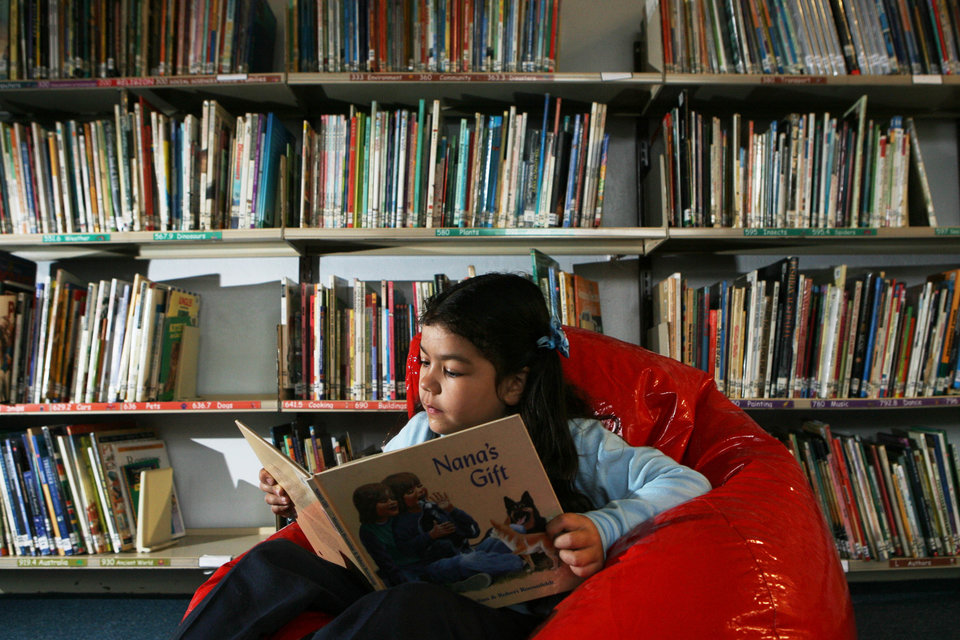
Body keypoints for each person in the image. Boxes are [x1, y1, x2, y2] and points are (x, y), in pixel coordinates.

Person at [173, 272, 712, 640]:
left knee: (406, 610)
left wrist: (603, 525)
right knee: (273, 561)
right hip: (400, 579)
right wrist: (300, 501)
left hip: (500, 614)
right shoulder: (417, 431)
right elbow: (357, 506)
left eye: (451, 371)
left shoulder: (578, 441)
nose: (426, 383)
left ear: (514, 383)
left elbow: (687, 484)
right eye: (424, 361)